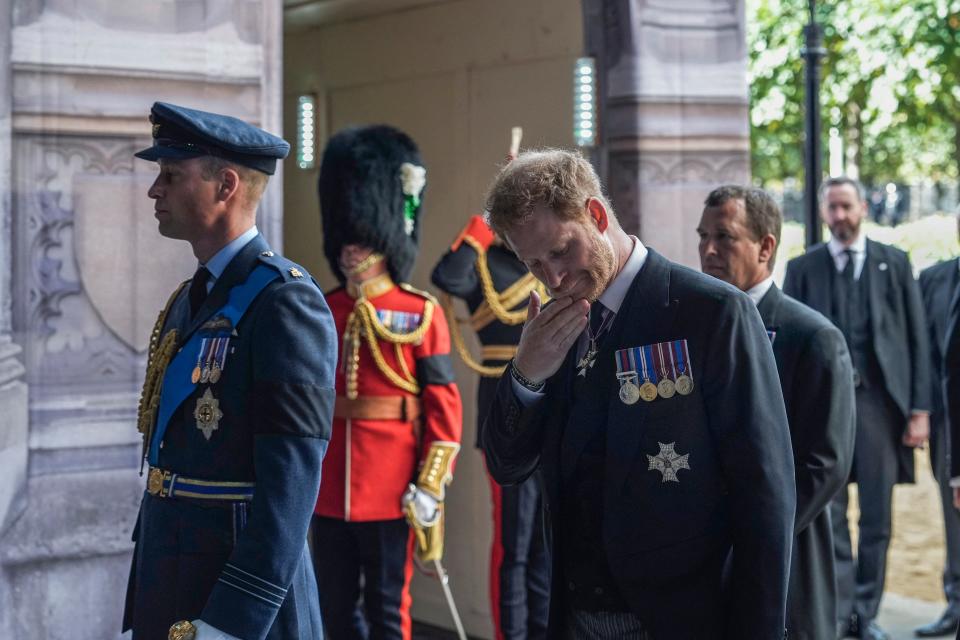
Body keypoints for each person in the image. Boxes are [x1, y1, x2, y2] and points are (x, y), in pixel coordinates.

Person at [480, 149, 796, 639]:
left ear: (597, 214)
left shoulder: (711, 311)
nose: (554, 277)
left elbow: (765, 499)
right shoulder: (552, 325)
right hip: (575, 615)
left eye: (561, 251)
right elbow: (507, 465)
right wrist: (527, 374)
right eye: (534, 263)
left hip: (681, 619)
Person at [123, 102, 336, 640]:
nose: (155, 190)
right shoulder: (188, 299)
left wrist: (232, 622)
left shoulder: (285, 302)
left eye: (171, 175)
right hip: (171, 575)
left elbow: (290, 487)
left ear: (226, 185)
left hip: (240, 598)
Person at [312, 124, 463, 640]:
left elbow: (443, 413)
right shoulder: (321, 309)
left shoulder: (418, 312)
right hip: (327, 489)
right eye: (347, 239)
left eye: (363, 237)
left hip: (390, 487)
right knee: (332, 610)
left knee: (386, 611)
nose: (351, 249)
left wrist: (429, 485)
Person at [697, 185, 856, 640]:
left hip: (786, 558)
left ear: (765, 246)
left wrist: (751, 533)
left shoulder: (813, 338)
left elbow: (824, 466)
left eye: (724, 237)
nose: (707, 249)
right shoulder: (696, 328)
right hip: (705, 563)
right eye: (702, 235)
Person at [783, 176, 931, 640]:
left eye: (847, 206)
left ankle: (865, 614)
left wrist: (920, 409)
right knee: (830, 514)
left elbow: (917, 338)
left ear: (863, 207)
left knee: (876, 518)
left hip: (879, 409)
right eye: (832, 208)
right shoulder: (804, 267)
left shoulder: (895, 263)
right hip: (825, 409)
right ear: (824, 212)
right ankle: (841, 611)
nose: (840, 216)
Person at [431, 214, 550, 640]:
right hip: (506, 412)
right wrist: (482, 223)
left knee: (547, 544)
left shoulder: (547, 261)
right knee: (513, 546)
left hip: (553, 410)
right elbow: (447, 275)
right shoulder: (485, 264)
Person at [916, 214, 960, 637]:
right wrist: (923, 412)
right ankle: (956, 603)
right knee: (953, 516)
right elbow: (924, 350)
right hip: (949, 423)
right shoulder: (932, 279)